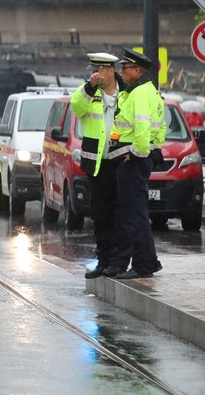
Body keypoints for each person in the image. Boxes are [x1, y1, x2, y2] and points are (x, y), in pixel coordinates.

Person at [103, 49, 166, 279]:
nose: (122, 71)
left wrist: (138, 154)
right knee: (136, 212)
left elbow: (141, 128)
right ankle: (149, 261)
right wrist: (153, 149)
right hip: (138, 158)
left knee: (134, 214)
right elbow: (160, 127)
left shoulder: (139, 93)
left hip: (133, 161)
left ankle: (143, 265)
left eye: (125, 67)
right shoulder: (150, 91)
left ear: (137, 71)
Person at [70, 52, 123, 277]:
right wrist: (89, 86)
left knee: (121, 215)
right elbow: (76, 106)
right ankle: (103, 261)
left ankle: (119, 262)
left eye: (100, 70)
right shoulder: (90, 94)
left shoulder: (127, 93)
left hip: (122, 161)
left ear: (111, 70)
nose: (96, 74)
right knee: (101, 215)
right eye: (94, 70)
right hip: (99, 164)